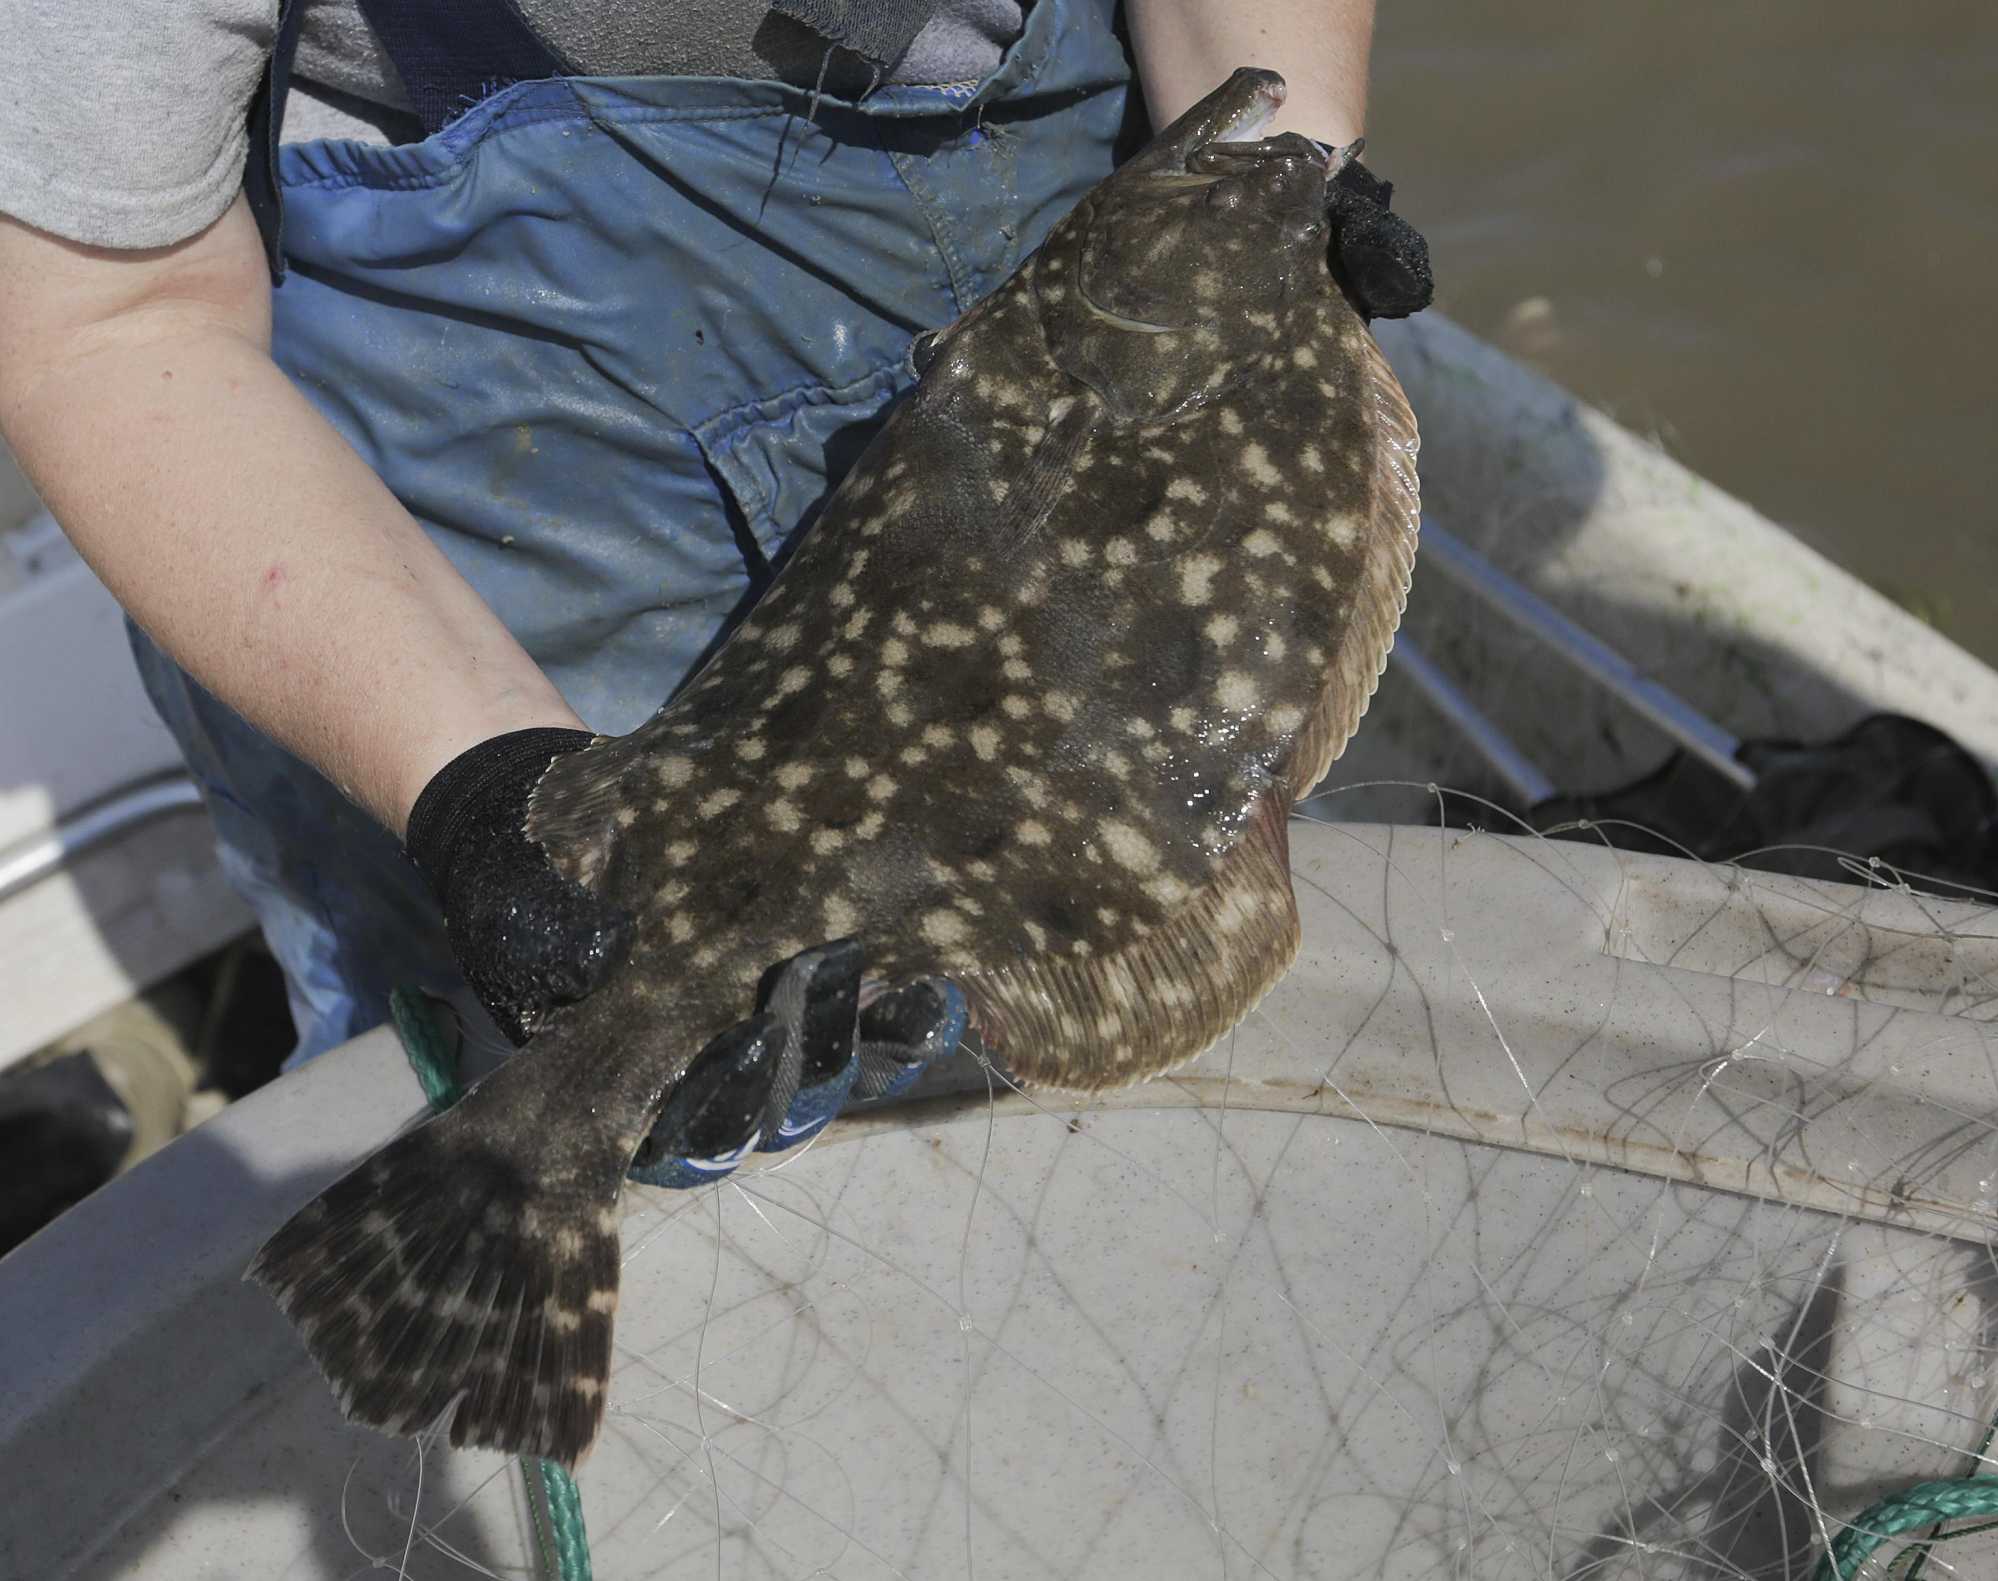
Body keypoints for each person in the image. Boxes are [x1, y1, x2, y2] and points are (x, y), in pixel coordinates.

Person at [0, 1, 1428, 1137]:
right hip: (476, 510)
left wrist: (1279, 141)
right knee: (577, 1051)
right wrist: (490, 781)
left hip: (1055, 273)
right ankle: (509, 1202)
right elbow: (111, 328)